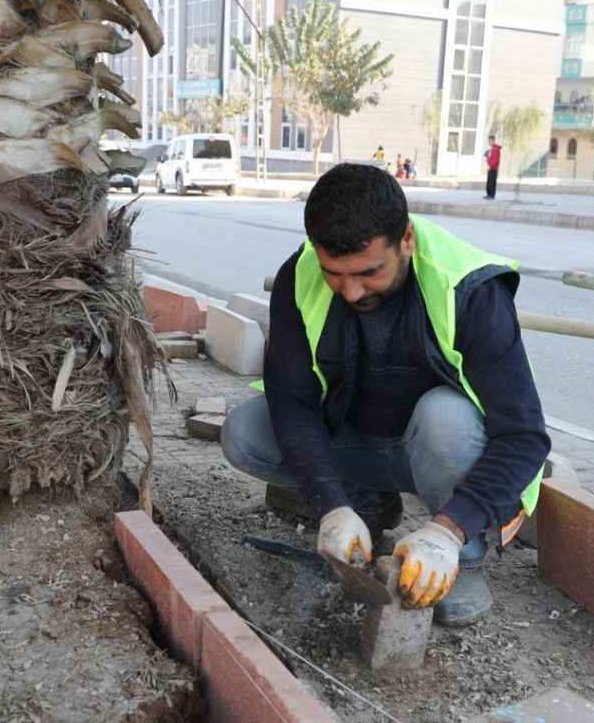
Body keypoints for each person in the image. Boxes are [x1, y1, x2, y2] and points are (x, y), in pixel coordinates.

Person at [220, 164, 550, 627]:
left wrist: (446, 533)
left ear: (407, 240)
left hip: (439, 451)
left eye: (369, 273)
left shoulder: (470, 290)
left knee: (445, 419)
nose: (351, 292)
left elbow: (524, 438)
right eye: (335, 274)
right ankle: (366, 506)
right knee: (246, 432)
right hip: (362, 441)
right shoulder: (300, 276)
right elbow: (292, 401)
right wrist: (331, 505)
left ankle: (465, 557)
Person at [483, 135, 501, 199]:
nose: (489, 142)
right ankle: (488, 194)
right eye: (489, 141)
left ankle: (491, 195)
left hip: (493, 168)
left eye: (490, 141)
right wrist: (487, 158)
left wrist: (491, 166)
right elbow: (490, 158)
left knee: (492, 182)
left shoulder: (495, 149)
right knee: (489, 182)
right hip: (490, 167)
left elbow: (496, 160)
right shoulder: (491, 149)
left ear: (493, 141)